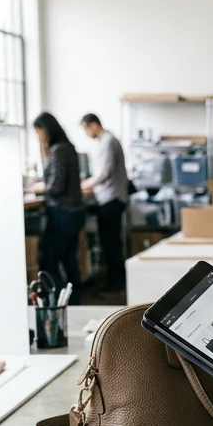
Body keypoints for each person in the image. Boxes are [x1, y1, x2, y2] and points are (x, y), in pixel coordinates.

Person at [28, 112, 85, 297]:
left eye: (38, 132)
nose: (38, 137)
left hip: (62, 213)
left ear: (45, 130)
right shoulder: (67, 147)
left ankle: (57, 300)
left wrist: (37, 189)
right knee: (69, 259)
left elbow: (56, 186)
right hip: (73, 213)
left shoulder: (59, 150)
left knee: (49, 260)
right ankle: (74, 300)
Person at [80, 113, 129, 296]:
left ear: (92, 125)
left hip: (112, 199)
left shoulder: (108, 141)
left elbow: (104, 172)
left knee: (110, 243)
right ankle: (114, 281)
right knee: (110, 242)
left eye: (85, 129)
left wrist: (86, 185)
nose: (86, 134)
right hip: (110, 197)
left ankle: (116, 284)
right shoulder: (106, 141)